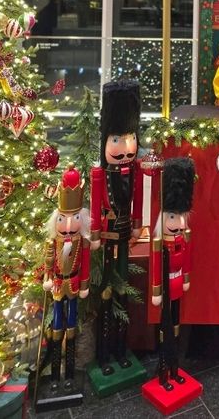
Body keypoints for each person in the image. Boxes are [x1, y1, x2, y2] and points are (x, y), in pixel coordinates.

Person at [90, 79, 143, 376]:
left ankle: (122, 350)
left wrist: (136, 224)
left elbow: (137, 200)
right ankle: (104, 354)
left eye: (129, 139)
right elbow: (97, 201)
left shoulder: (133, 171)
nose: (124, 148)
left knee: (123, 290)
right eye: (117, 140)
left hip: (125, 235)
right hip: (107, 237)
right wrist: (96, 231)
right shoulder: (100, 173)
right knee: (107, 292)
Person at [42, 166, 90, 392]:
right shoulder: (53, 244)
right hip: (58, 285)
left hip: (74, 285)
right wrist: (47, 277)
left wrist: (83, 285)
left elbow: (86, 266)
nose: (69, 226)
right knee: (57, 325)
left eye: (74, 219)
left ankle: (69, 374)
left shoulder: (83, 243)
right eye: (63, 219)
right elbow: (48, 265)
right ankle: (54, 376)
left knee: (72, 326)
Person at [150, 157, 195, 391]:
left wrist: (185, 278)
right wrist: (156, 290)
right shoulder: (160, 244)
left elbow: (186, 261)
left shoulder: (183, 239)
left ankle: (175, 369)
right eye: (171, 217)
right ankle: (162, 372)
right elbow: (157, 267)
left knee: (175, 326)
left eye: (179, 217)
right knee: (165, 326)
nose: (176, 222)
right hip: (166, 287)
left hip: (178, 284)